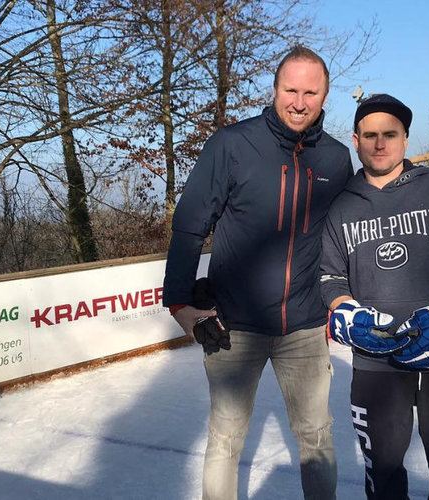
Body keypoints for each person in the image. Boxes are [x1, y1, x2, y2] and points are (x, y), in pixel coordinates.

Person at [162, 46, 353, 500]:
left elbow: (346, 236)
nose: (300, 101)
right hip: (234, 325)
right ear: (274, 89)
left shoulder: (336, 160)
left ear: (325, 95)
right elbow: (190, 224)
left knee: (317, 438)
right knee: (225, 439)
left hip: (304, 326)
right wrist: (180, 304)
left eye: (311, 91)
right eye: (291, 89)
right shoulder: (232, 144)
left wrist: (340, 301)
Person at [319, 94, 429, 500]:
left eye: (389, 134)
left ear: (405, 140)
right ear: (355, 140)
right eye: (370, 135)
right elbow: (329, 277)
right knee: (383, 476)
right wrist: (345, 312)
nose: (379, 144)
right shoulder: (340, 206)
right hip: (376, 365)